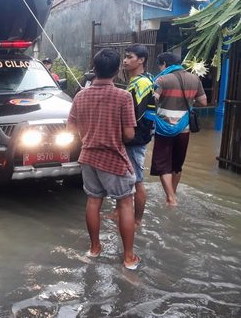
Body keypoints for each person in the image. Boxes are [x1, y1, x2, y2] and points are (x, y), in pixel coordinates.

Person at [67, 48, 140, 270]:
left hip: (88, 157)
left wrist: (88, 135)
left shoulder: (80, 95)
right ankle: (128, 258)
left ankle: (94, 249)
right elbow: (129, 135)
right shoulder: (123, 96)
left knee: (93, 201)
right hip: (114, 158)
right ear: (117, 71)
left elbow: (70, 129)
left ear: (94, 69)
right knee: (126, 203)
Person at [150, 52, 207, 206]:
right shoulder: (194, 79)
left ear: (163, 64)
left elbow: (152, 99)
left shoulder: (161, 79)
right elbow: (203, 102)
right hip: (184, 129)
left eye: (160, 65)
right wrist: (188, 101)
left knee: (163, 164)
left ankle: (170, 198)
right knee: (177, 164)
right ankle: (173, 194)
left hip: (164, 128)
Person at [121, 44, 155, 227]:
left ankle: (137, 221)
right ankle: (120, 212)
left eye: (129, 57)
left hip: (136, 139)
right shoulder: (138, 80)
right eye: (125, 57)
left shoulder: (142, 83)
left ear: (141, 60)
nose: (125, 60)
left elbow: (135, 114)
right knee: (128, 178)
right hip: (134, 137)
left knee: (138, 180)